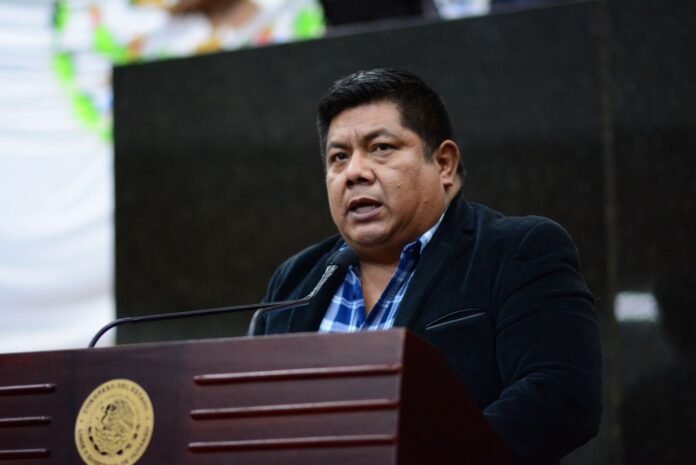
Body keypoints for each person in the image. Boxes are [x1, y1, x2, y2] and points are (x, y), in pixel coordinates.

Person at [254, 68, 602, 465]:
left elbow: (561, 393)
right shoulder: (295, 280)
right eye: (339, 157)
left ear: (444, 164)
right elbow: (251, 417)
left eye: (381, 147)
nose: (354, 172)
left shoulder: (515, 251)